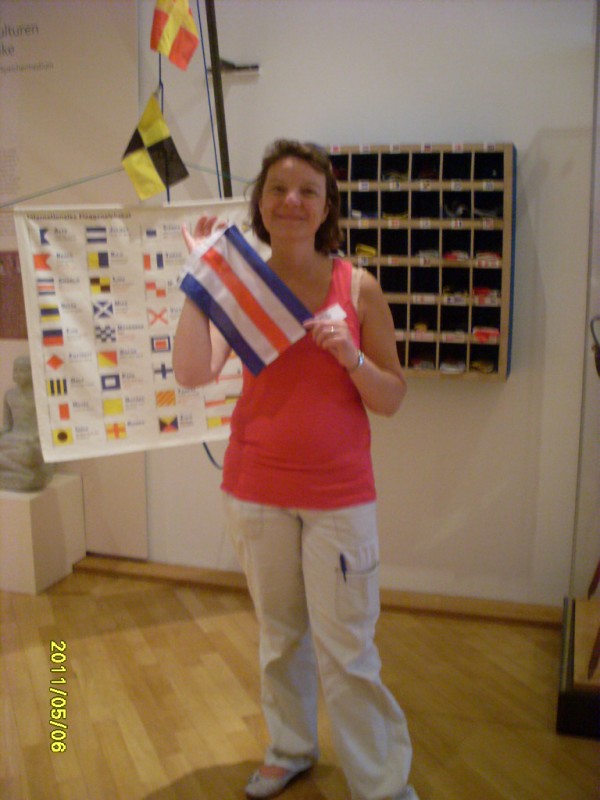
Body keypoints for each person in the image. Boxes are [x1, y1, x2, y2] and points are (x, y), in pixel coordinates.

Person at [173, 139, 419, 800]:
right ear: (259, 202)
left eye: (308, 191)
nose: (291, 201)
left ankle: (382, 784)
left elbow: (391, 397)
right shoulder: (242, 285)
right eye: (278, 189)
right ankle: (289, 749)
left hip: (340, 496)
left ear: (326, 206)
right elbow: (192, 371)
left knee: (349, 651)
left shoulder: (357, 287)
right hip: (256, 489)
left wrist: (351, 358)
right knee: (280, 639)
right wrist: (199, 279)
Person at [0, 355, 54, 492]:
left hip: (31, 441)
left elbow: (47, 427)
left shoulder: (41, 396)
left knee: (27, 453)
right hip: (12, 439)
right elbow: (7, 426)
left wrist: (36, 437)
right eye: (15, 370)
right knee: (19, 452)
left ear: (32, 372)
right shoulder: (9, 395)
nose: (18, 374)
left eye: (22, 370)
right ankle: (22, 472)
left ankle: (20, 469)